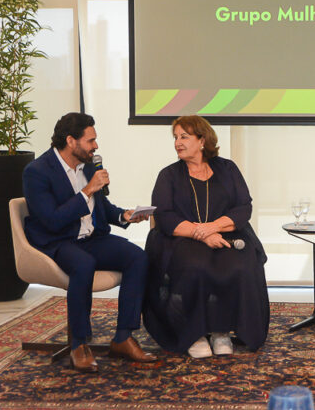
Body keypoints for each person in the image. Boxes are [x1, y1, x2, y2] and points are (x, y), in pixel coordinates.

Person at [22, 112, 157, 373]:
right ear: (71, 141)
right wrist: (87, 191)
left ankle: (123, 337)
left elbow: (101, 206)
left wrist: (124, 215)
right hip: (58, 241)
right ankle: (79, 345)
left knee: (137, 257)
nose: (95, 146)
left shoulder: (88, 166)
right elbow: (51, 220)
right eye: (90, 140)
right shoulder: (37, 172)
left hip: (91, 237)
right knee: (84, 264)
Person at [143, 115, 269, 358]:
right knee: (196, 266)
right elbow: (165, 216)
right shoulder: (168, 175)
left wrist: (214, 227)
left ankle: (222, 331)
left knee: (238, 265)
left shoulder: (228, 168)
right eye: (176, 137)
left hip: (225, 234)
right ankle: (194, 333)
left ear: (202, 140)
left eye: (184, 137)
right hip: (181, 239)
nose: (178, 142)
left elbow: (244, 207)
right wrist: (201, 234)